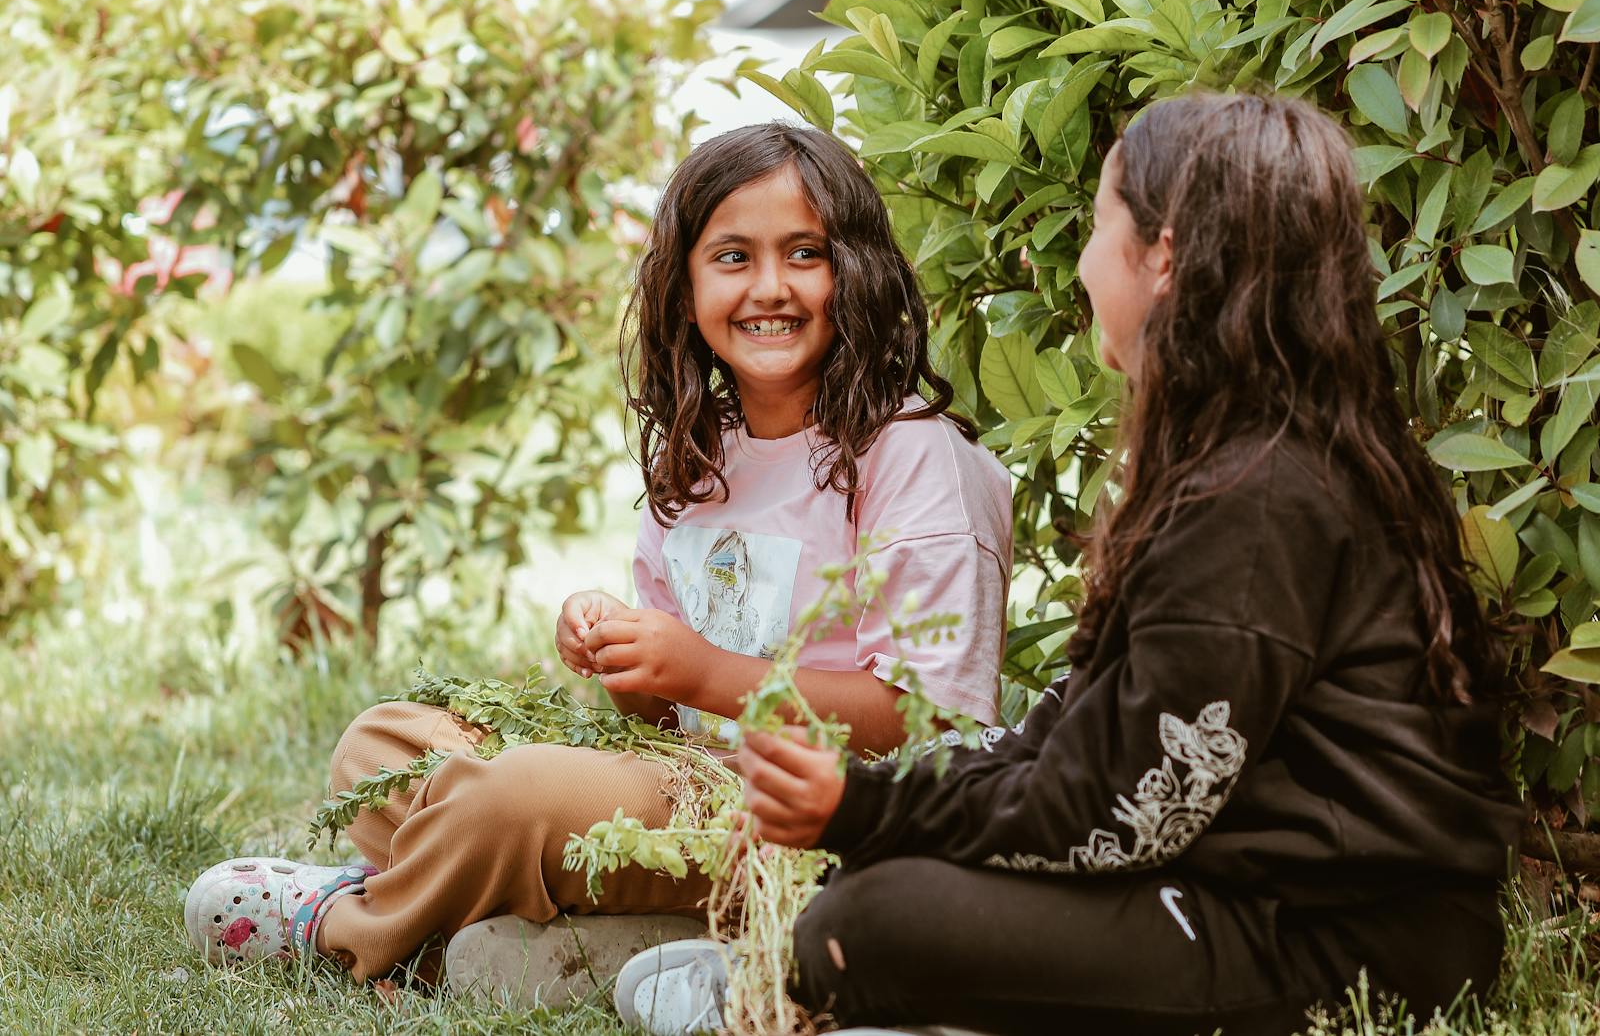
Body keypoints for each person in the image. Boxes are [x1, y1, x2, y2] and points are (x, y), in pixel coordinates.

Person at [614, 93, 1523, 1036]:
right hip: (1229, 883)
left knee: (862, 924)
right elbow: (1066, 740)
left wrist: (863, 808)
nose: (1084, 266)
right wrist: (878, 813)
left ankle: (809, 991)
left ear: (1163, 258)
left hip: (1344, 943)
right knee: (880, 884)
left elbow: (1125, 810)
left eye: (1097, 227)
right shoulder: (1234, 462)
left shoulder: (1258, 501)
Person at [180, 123, 1014, 993]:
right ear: (685, 289)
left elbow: (925, 723)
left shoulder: (911, 457)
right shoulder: (702, 457)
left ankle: (357, 924)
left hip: (830, 821)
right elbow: (655, 731)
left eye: (805, 252)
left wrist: (703, 673)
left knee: (512, 797)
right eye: (732, 257)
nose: (771, 286)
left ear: (858, 270)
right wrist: (624, 658)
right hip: (690, 790)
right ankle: (597, 936)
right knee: (383, 745)